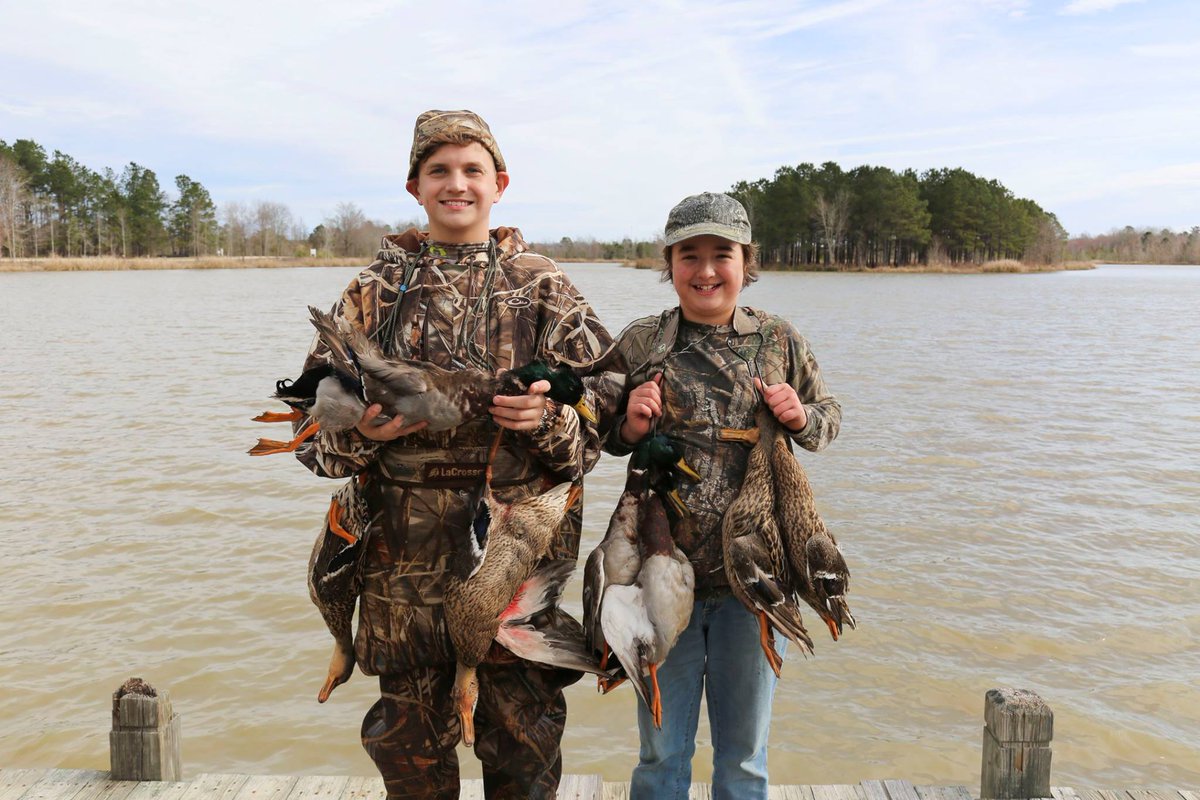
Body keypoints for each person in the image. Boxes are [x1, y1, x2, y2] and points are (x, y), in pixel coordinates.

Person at [292, 109, 613, 800]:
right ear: (415, 186)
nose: (456, 183)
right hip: (398, 564)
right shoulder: (372, 292)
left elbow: (608, 414)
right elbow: (307, 431)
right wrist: (359, 437)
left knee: (524, 742)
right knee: (408, 752)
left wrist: (549, 417)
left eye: (472, 170)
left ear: (499, 183)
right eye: (439, 170)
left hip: (516, 556)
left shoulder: (545, 286)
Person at [602, 192, 842, 799]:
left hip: (755, 588)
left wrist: (800, 416)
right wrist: (630, 423)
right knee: (661, 755)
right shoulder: (641, 342)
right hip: (661, 580)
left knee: (743, 760)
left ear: (746, 261)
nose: (706, 270)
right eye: (690, 255)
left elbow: (829, 418)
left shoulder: (779, 340)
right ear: (670, 263)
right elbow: (599, 433)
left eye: (721, 254)